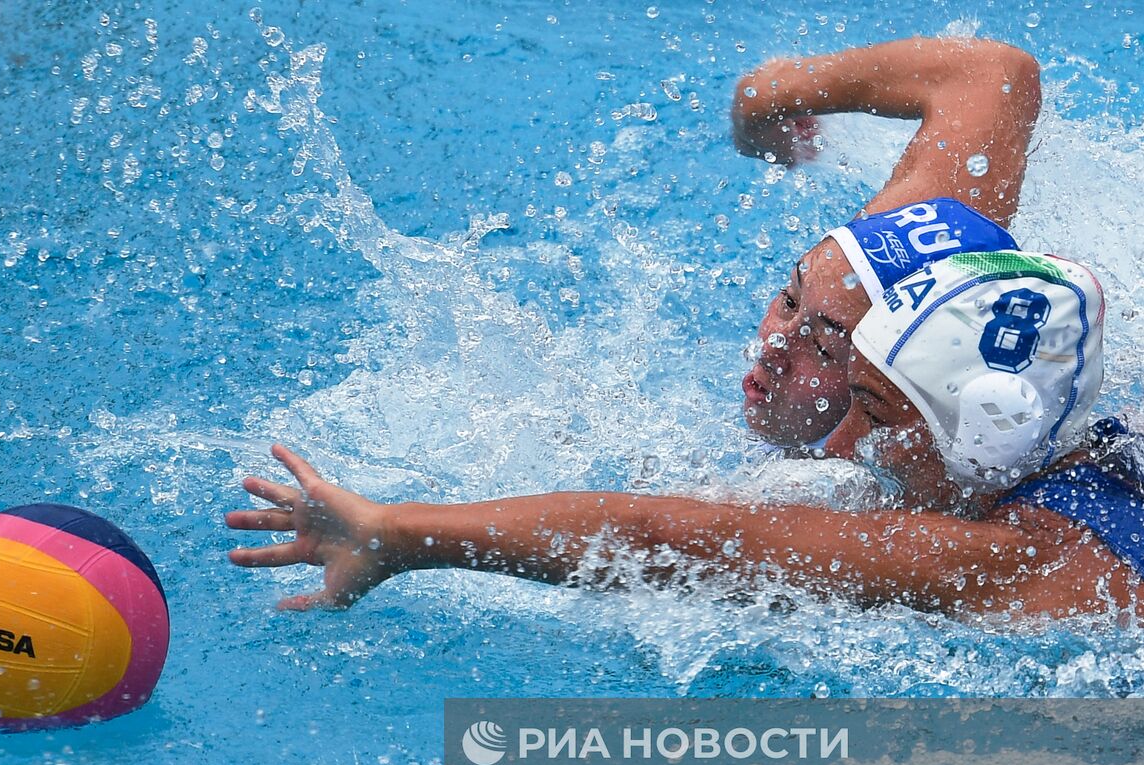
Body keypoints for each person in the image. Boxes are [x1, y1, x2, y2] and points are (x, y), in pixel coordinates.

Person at [226, 252, 1140, 620]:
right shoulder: (1072, 434)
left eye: (873, 412)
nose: (841, 442)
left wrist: (398, 532)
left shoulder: (1018, 563)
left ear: (983, 436)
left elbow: (673, 537)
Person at [731, 37, 1042, 450]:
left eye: (823, 348)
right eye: (790, 301)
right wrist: (767, 97)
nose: (773, 345)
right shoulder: (929, 235)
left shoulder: (925, 455)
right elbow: (995, 71)